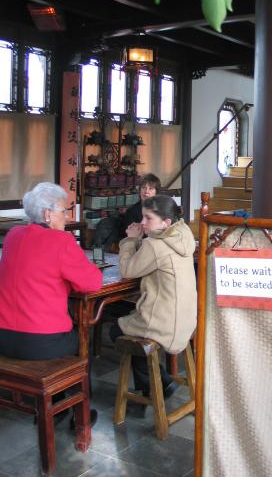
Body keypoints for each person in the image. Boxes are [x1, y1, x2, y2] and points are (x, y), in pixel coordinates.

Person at [0, 182, 103, 425]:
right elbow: (93, 283)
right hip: (39, 343)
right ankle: (80, 415)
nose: (67, 217)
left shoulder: (13, 235)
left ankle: (56, 407)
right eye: (64, 211)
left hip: (4, 337)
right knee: (82, 341)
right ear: (48, 214)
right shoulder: (61, 241)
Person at [110, 194, 197, 398]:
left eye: (148, 218)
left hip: (163, 324)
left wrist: (130, 240)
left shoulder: (154, 245)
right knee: (126, 313)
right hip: (185, 320)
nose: (142, 222)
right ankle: (156, 383)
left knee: (116, 329)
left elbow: (127, 271)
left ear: (166, 222)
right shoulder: (183, 235)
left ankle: (158, 383)